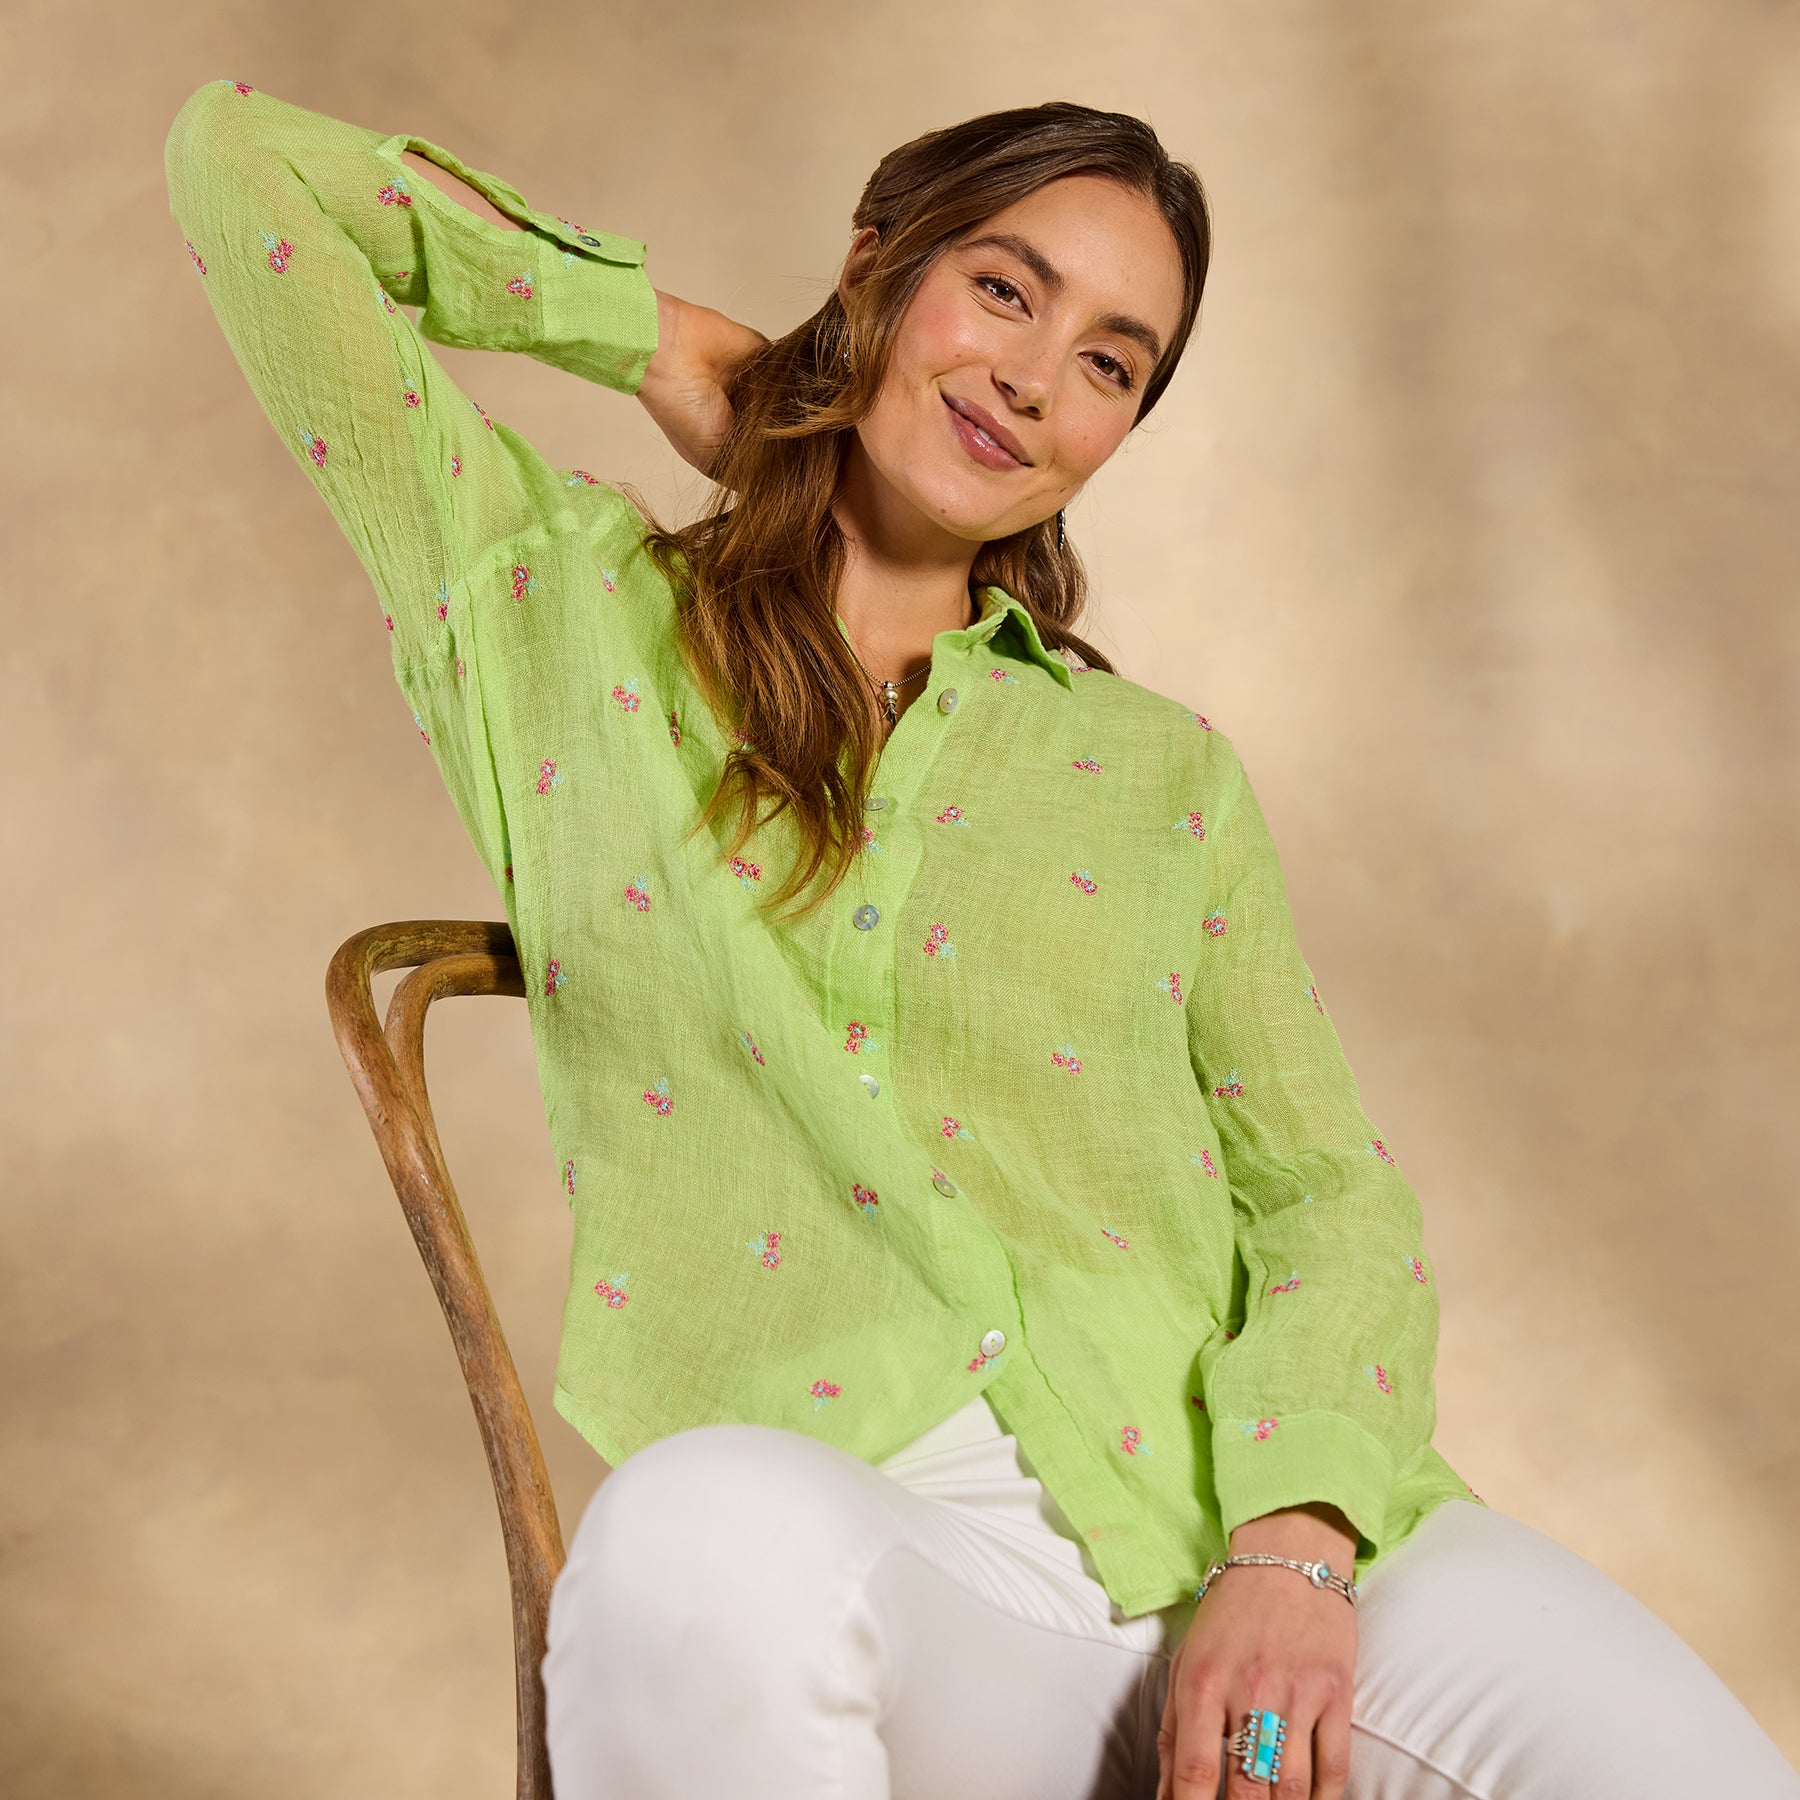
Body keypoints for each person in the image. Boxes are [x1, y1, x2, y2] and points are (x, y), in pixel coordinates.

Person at [164, 76, 1800, 1800]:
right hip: (912, 1567)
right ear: (875, 270)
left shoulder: (1158, 774)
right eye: (1003, 291)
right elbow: (239, 167)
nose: (1031, 378)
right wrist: (671, 344)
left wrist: (1296, 1542)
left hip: (1278, 1530)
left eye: (1109, 363)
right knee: (685, 1543)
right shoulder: (545, 609)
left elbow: (1330, 1197)